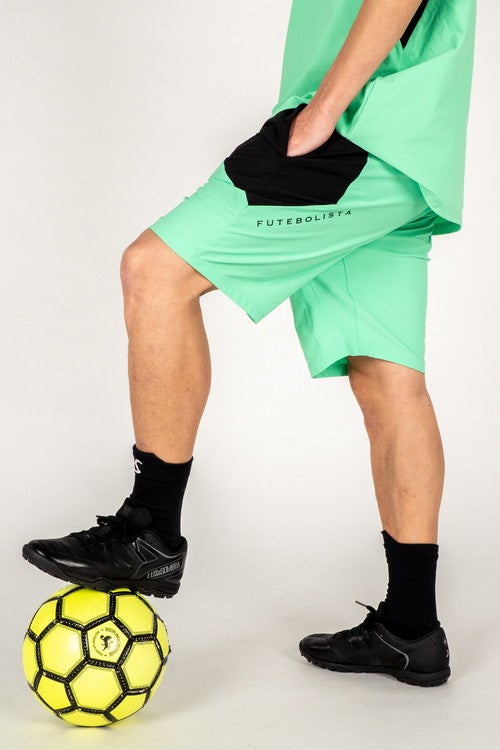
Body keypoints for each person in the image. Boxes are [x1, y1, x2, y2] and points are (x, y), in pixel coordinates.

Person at [22, 0, 476, 688]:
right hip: (412, 147)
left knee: (155, 272)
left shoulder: (345, 119)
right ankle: (411, 629)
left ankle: (150, 529)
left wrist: (324, 109)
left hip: (361, 129)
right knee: (388, 377)